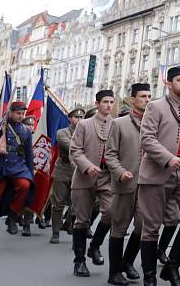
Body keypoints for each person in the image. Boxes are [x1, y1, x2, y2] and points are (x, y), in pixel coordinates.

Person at [138, 65, 180, 286]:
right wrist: (168, 158)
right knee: (151, 228)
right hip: (156, 173)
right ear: (169, 83)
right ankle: (149, 277)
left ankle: (172, 267)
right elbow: (147, 139)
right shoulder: (155, 107)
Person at [105, 83, 151, 284]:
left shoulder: (155, 123)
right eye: (143, 96)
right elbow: (110, 154)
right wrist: (120, 171)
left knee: (143, 227)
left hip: (148, 185)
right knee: (119, 228)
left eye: (150, 96)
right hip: (125, 185)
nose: (147, 100)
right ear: (133, 99)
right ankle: (114, 272)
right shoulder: (119, 124)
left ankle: (127, 262)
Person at [69, 90, 116, 277]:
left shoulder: (118, 125)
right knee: (82, 220)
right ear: (97, 104)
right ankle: (79, 261)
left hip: (107, 176)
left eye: (112, 102)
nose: (109, 105)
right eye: (105, 101)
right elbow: (75, 150)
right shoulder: (84, 125)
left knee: (111, 212)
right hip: (84, 177)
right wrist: (87, 166)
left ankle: (95, 246)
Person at [0, 101, 34, 250]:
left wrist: (30, 173)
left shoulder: (26, 131)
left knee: (25, 185)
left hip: (17, 167)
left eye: (23, 113)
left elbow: (29, 155)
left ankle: (12, 216)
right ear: (10, 112)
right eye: (18, 113)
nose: (21, 116)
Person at [50, 107, 85, 244]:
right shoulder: (61, 132)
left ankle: (69, 223)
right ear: (70, 119)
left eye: (82, 117)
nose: (79, 120)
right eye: (76, 117)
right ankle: (55, 232)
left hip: (79, 169)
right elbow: (71, 146)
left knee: (77, 202)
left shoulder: (87, 132)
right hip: (63, 169)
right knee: (57, 202)